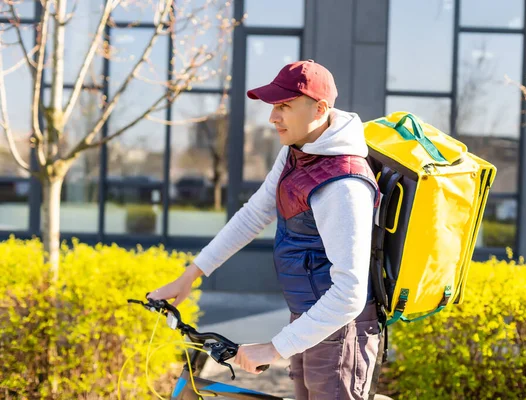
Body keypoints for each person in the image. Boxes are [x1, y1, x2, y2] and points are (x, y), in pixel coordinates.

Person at [148, 59, 381, 400]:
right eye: (274, 106)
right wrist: (192, 274)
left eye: (284, 106)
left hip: (340, 335)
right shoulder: (297, 152)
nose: (273, 117)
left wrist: (273, 349)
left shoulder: (343, 184)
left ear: (319, 108)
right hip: (309, 320)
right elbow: (254, 213)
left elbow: (350, 293)